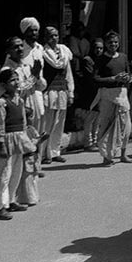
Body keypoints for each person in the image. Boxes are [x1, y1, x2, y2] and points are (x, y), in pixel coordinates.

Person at [0, 67, 34, 220]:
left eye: (17, 79)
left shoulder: (20, 100)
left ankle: (11, 200)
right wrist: (1, 144)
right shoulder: (1, 103)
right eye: (12, 80)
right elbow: (0, 125)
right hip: (7, 140)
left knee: (17, 171)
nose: (16, 83)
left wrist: (26, 140)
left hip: (19, 139)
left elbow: (23, 122)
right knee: (4, 174)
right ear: (4, 84)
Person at [93, 31, 132, 166]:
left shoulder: (123, 57)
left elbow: (128, 74)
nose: (113, 45)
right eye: (110, 43)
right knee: (106, 125)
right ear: (105, 44)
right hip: (107, 96)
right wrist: (112, 79)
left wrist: (126, 78)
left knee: (125, 126)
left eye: (116, 42)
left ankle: (123, 153)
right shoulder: (100, 60)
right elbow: (96, 79)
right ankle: (106, 156)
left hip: (122, 95)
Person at [41, 26, 74, 164]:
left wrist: (70, 91)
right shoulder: (43, 52)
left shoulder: (64, 51)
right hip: (49, 91)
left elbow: (68, 74)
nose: (53, 38)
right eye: (50, 36)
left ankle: (55, 152)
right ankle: (43, 154)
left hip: (61, 90)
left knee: (60, 123)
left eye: (55, 35)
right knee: (47, 124)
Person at [19, 17, 46, 133]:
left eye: (36, 30)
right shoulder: (19, 50)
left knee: (38, 131)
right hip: (23, 95)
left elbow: (40, 75)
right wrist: (33, 75)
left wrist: (37, 77)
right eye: (31, 30)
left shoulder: (39, 48)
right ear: (24, 32)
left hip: (37, 93)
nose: (34, 33)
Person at [80, 39, 104, 151]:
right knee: (90, 118)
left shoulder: (102, 60)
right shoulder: (88, 60)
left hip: (100, 92)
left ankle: (95, 141)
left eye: (101, 48)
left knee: (97, 118)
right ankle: (88, 143)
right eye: (96, 48)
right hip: (90, 92)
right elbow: (91, 78)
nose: (98, 50)